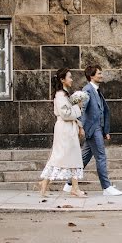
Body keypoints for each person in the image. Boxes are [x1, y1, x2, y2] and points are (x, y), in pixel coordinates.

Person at [65, 65, 122, 196]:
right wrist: (81, 127)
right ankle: (106, 187)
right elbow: (82, 109)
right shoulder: (88, 90)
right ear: (92, 76)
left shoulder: (96, 90)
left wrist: (105, 130)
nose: (101, 75)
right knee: (101, 157)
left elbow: (101, 111)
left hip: (98, 128)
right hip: (92, 129)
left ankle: (69, 184)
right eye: (99, 73)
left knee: (83, 159)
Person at [39, 68, 87, 198]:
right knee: (60, 156)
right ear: (62, 80)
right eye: (69, 77)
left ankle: (74, 188)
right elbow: (65, 114)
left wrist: (78, 123)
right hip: (64, 130)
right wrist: (78, 107)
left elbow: (69, 112)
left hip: (68, 129)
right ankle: (44, 182)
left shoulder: (65, 94)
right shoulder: (60, 95)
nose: (71, 79)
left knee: (73, 156)